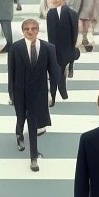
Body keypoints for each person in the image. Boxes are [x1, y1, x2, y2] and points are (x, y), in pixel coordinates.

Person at [8, 19, 60, 171]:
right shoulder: (15, 48)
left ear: (38, 30)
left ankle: (33, 157)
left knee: (33, 123)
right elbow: (11, 73)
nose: (30, 31)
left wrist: (52, 93)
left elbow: (54, 72)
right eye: (26, 28)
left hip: (38, 93)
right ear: (22, 30)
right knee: (20, 117)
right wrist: (11, 94)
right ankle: (19, 134)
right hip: (20, 91)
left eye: (33, 28)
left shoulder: (48, 48)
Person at [46, 0, 79, 93]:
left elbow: (74, 32)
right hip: (55, 48)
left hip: (66, 48)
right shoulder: (50, 14)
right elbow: (50, 33)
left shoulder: (72, 14)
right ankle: (60, 91)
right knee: (57, 71)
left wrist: (72, 48)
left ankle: (61, 91)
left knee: (60, 70)